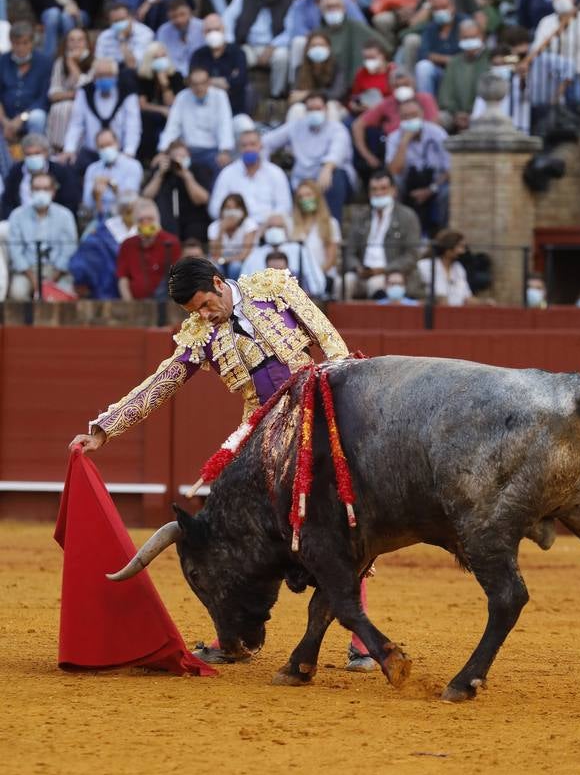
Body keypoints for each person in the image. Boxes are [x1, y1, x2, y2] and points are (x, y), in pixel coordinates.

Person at [68, 256, 375, 671]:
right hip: (260, 431)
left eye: (205, 305)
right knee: (238, 528)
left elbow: (327, 337)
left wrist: (339, 396)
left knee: (343, 517)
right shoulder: (200, 335)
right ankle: (231, 637)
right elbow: (162, 382)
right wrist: (104, 429)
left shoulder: (272, 288)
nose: (203, 315)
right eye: (194, 312)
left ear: (218, 282)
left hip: (314, 414)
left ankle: (362, 641)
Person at [262, 91, 356, 223]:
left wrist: (327, 168)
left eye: (318, 109)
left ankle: (332, 229)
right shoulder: (296, 126)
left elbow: (336, 153)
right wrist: (265, 166)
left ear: (326, 109)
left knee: (334, 177)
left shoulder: (337, 129)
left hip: (329, 180)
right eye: (310, 109)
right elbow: (265, 142)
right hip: (302, 181)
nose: (314, 113)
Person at [344, 167, 422, 299]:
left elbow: (411, 255)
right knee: (344, 282)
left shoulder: (407, 216)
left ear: (393, 190)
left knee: (376, 284)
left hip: (389, 273)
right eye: (374, 189)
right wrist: (357, 268)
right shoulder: (361, 216)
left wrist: (383, 270)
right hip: (362, 272)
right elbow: (349, 252)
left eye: (383, 188)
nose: (378, 193)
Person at [223, 0, 292, 98]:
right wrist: (230, 42)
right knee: (237, 56)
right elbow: (227, 18)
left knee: (282, 57)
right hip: (249, 45)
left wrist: (273, 46)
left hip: (274, 46)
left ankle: (277, 95)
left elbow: (291, 29)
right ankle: (239, 94)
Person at [286, 0, 365, 80]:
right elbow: (298, 31)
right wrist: (319, 42)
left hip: (342, 41)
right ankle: (297, 84)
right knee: (298, 42)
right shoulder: (300, 5)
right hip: (315, 45)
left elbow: (360, 25)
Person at [352, 67, 439, 174]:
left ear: (413, 83)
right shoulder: (387, 103)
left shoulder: (425, 99)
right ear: (391, 88)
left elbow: (434, 127)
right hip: (396, 149)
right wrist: (368, 156)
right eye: (397, 86)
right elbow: (358, 125)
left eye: (405, 85)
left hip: (426, 149)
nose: (402, 89)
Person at [7, 171, 78, 300]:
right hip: (28, 271)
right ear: (30, 191)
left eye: (45, 189)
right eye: (37, 189)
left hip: (57, 271)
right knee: (17, 293)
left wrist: (51, 281)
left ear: (53, 192)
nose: (41, 192)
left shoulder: (65, 215)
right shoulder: (17, 216)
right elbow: (15, 252)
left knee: (63, 297)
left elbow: (69, 250)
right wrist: (35, 281)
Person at [61, 58, 141, 171]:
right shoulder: (85, 92)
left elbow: (132, 125)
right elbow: (76, 124)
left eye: (108, 75)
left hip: (120, 153)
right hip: (91, 152)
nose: (104, 79)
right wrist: (69, 149)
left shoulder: (127, 93)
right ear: (94, 77)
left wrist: (129, 151)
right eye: (100, 75)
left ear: (116, 76)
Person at [386, 97, 450, 234]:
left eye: (414, 115)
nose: (410, 119)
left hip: (435, 183)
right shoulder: (394, 138)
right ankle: (397, 231)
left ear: (422, 114)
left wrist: (431, 189)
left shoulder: (437, 133)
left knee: (447, 192)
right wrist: (404, 141)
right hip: (408, 184)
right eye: (405, 117)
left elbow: (450, 169)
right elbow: (393, 171)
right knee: (392, 185)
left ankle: (440, 233)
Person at [208, 127, 292, 225]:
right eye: (244, 145)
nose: (248, 149)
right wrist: (234, 216)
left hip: (267, 226)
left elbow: (285, 206)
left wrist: (270, 220)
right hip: (237, 226)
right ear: (239, 148)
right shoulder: (227, 173)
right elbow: (214, 208)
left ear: (260, 146)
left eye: (252, 144)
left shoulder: (275, 173)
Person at [157, 67, 234, 172]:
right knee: (164, 164)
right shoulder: (182, 97)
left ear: (209, 82)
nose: (199, 88)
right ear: (189, 84)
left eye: (202, 83)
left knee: (222, 165)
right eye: (195, 84)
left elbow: (224, 124)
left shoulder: (220, 96)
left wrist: (224, 151)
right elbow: (172, 127)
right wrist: (162, 151)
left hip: (213, 151)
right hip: (188, 150)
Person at [24, 0, 103, 59]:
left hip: (79, 14)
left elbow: (88, 1)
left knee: (67, 17)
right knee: (53, 13)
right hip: (55, 15)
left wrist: (74, 9)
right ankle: (48, 58)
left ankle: (69, 56)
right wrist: (65, 7)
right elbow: (47, 0)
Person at [70, 190, 138, 299]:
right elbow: (84, 259)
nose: (129, 213)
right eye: (126, 209)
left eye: (132, 209)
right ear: (120, 210)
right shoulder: (103, 230)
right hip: (106, 286)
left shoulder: (143, 228)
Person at [241, 211, 327, 296]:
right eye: (270, 227)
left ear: (286, 229)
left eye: (279, 226)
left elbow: (317, 283)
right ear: (264, 231)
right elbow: (244, 286)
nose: (274, 230)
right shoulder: (255, 254)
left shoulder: (299, 249)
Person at [143, 139, 212, 242]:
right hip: (166, 226)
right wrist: (160, 175)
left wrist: (187, 177)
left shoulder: (198, 170)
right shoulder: (161, 173)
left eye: (183, 156)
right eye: (175, 157)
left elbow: (201, 199)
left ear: (189, 156)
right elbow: (146, 197)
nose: (179, 160)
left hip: (193, 227)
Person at [317, 0, 392, 86]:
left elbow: (385, 47)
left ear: (344, 9)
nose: (333, 10)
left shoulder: (356, 26)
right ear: (322, 10)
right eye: (329, 7)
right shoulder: (318, 33)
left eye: (336, 6)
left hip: (356, 84)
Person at [0, 133, 79, 218]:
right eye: (28, 154)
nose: (33, 157)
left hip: (54, 221)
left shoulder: (61, 172)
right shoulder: (15, 172)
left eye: (37, 153)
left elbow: (70, 202)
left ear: (46, 152)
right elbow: (7, 201)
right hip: (21, 221)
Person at [116, 198, 181, 300]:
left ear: (157, 221)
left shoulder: (171, 242)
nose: (145, 223)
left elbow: (178, 277)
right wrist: (129, 304)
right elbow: (123, 278)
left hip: (164, 304)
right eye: (141, 220)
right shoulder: (127, 244)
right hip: (136, 304)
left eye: (150, 219)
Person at [0, 22, 51, 143]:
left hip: (30, 114)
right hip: (5, 116)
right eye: (16, 43)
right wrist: (5, 121)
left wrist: (22, 118)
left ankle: (34, 148)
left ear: (32, 43)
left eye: (25, 43)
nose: (20, 48)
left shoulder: (44, 62)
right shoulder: (2, 61)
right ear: (11, 42)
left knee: (38, 117)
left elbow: (44, 98)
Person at [189, 14, 248, 116]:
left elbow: (240, 81)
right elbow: (193, 80)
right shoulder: (198, 55)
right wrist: (227, 81)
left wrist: (207, 81)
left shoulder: (237, 52)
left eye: (216, 29)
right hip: (203, 110)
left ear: (223, 29)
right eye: (209, 30)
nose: (213, 33)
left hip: (234, 111)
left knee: (244, 126)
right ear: (203, 33)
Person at [290, 180, 342, 297]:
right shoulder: (292, 225)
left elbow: (331, 260)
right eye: (301, 197)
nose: (304, 199)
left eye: (308, 195)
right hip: (297, 279)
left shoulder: (330, 224)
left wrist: (314, 276)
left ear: (317, 197)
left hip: (323, 276)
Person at [438, 18, 491, 131]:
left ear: (481, 36)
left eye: (473, 37)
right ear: (459, 39)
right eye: (465, 38)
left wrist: (473, 114)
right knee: (439, 118)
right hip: (455, 115)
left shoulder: (490, 58)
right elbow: (445, 96)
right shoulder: (454, 62)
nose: (469, 41)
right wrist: (457, 113)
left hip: (484, 113)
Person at [46, 27, 94, 153]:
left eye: (80, 40)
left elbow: (85, 89)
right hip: (66, 104)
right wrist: (73, 94)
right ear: (66, 43)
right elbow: (53, 94)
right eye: (71, 40)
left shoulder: (95, 61)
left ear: (87, 42)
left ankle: (74, 150)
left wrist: (72, 63)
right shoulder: (60, 62)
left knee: (70, 108)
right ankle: (58, 149)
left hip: (91, 105)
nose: (76, 44)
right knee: (60, 108)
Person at [136, 42, 184, 163]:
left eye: (163, 56)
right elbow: (142, 104)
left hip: (173, 114)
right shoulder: (144, 78)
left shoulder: (176, 76)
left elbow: (173, 103)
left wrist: (165, 85)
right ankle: (148, 158)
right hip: (154, 115)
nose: (160, 60)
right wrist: (161, 110)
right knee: (147, 119)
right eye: (156, 58)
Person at [414, 0, 466, 96]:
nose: (440, 11)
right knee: (423, 67)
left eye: (444, 7)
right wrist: (447, 59)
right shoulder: (431, 27)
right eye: (436, 9)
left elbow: (468, 52)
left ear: (453, 6)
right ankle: (427, 104)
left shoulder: (464, 23)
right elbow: (423, 54)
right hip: (438, 71)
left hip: (461, 71)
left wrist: (435, 57)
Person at [82, 128, 143, 218]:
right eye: (101, 147)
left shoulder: (133, 166)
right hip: (100, 218)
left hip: (124, 218)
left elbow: (131, 200)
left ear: (117, 143)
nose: (106, 149)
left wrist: (112, 184)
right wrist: (94, 193)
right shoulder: (92, 169)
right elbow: (87, 204)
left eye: (109, 144)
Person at [290, 32, 346, 120]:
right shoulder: (300, 69)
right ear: (307, 49)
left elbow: (336, 93)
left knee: (331, 107)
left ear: (329, 48)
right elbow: (295, 96)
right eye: (314, 45)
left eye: (321, 45)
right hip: (308, 105)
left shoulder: (337, 68)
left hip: (330, 104)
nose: (318, 48)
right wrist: (311, 99)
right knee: (297, 109)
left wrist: (308, 93)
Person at [207, 191, 259, 277]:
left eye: (236, 208)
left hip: (242, 263)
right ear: (223, 210)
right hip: (220, 262)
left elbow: (244, 255)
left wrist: (224, 260)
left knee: (235, 266)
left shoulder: (249, 224)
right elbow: (214, 254)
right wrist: (221, 230)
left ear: (242, 210)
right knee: (214, 268)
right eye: (228, 208)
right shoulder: (214, 227)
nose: (232, 212)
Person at [417, 228, 472, 305]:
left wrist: (484, 302)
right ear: (448, 248)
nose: (463, 252)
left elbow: (466, 297)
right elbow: (414, 294)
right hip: (432, 312)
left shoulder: (459, 268)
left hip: (456, 312)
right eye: (460, 247)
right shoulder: (424, 266)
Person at [94, 2, 154, 71]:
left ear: (131, 18)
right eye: (115, 21)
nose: (119, 24)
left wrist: (122, 39)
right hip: (111, 72)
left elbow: (132, 65)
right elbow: (98, 63)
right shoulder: (104, 36)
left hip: (136, 74)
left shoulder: (145, 33)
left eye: (122, 20)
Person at [156, 0, 204, 78]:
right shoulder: (163, 31)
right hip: (173, 75)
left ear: (189, 12)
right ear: (168, 16)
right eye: (174, 17)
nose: (179, 20)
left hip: (199, 74)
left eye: (182, 15)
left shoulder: (202, 27)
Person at [348, 41, 392, 115]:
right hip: (364, 113)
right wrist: (355, 106)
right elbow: (355, 96)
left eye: (372, 57)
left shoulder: (392, 71)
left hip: (387, 112)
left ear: (382, 56)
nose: (369, 61)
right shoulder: (361, 73)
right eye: (366, 58)